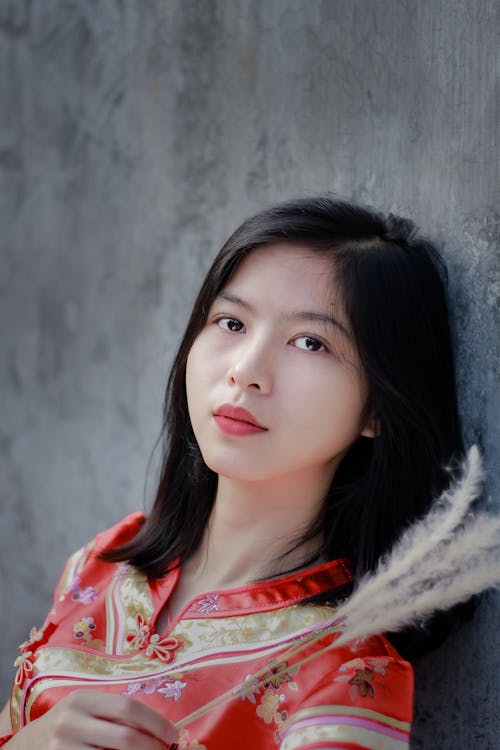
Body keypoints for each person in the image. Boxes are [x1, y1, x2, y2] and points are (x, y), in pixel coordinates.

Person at [0, 196, 465, 749]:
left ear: (377, 409)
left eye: (310, 342)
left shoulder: (344, 673)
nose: (246, 371)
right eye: (231, 322)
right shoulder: (103, 563)